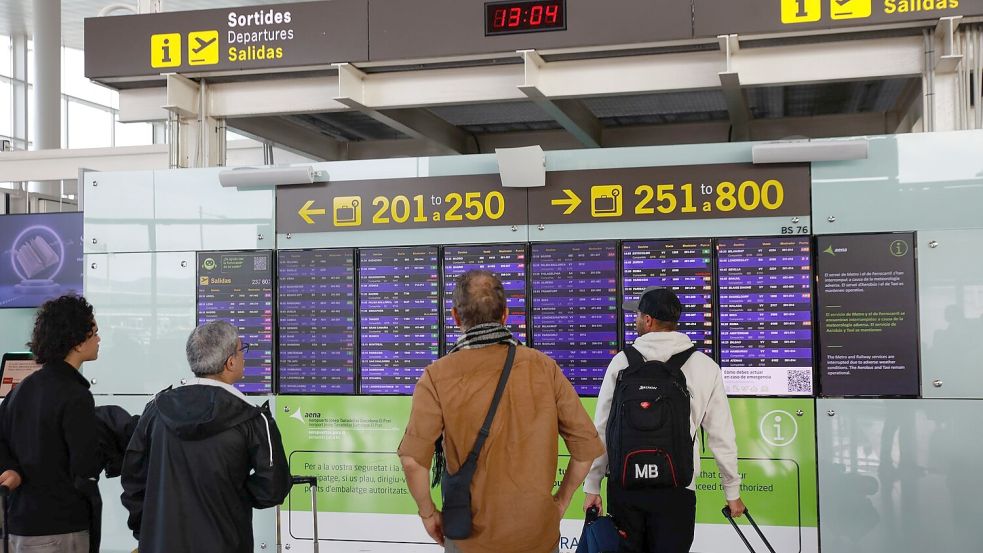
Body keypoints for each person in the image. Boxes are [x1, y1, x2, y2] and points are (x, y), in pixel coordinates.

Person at [399, 270, 604, 553]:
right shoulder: (544, 368)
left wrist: (428, 513)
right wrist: (561, 501)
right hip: (538, 537)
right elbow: (585, 448)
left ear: (456, 317)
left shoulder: (437, 376)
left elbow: (412, 461)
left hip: (469, 540)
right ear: (505, 315)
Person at [583, 287, 745, 553]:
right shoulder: (705, 366)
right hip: (677, 488)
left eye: (637, 315)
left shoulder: (622, 363)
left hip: (625, 486)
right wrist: (732, 492)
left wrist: (592, 485)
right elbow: (721, 436)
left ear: (648, 320)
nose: (635, 320)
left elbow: (601, 429)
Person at [120, 321, 291, 553]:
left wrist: (147, 532)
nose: (243, 357)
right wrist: (233, 495)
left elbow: (133, 479)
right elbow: (273, 488)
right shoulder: (253, 419)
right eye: (243, 350)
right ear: (230, 362)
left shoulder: (156, 410)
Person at [0, 294, 102, 553]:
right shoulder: (75, 395)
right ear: (78, 342)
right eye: (94, 333)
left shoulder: (21, 390)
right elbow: (84, 466)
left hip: (18, 525)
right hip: (60, 528)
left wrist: (12, 470)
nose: (99, 339)